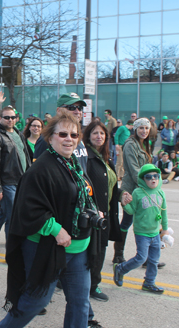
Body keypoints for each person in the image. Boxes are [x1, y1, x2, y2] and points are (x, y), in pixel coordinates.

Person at [0, 110, 103, 328]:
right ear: (50, 136)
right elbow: (28, 208)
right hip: (47, 246)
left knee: (80, 302)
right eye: (63, 134)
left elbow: (82, 194)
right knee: (36, 300)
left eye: (74, 135)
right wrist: (55, 229)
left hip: (79, 247)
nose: (69, 139)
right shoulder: (40, 168)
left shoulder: (73, 164)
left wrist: (94, 211)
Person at [83, 121, 132, 303]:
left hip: (107, 213)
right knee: (94, 251)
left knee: (100, 249)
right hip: (93, 214)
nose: (99, 137)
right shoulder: (86, 157)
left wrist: (121, 194)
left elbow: (110, 186)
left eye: (102, 134)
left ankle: (91, 283)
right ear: (88, 136)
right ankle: (91, 286)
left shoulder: (105, 158)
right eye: (95, 133)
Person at [0, 106, 31, 253]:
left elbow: (25, 156)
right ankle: (12, 252)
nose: (10, 120)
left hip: (20, 181)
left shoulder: (17, 133)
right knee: (13, 217)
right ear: (0, 118)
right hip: (7, 183)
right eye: (6, 117)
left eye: (13, 117)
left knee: (5, 212)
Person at [114, 164, 169, 294]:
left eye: (156, 176)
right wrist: (125, 204)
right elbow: (131, 210)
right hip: (142, 233)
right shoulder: (138, 193)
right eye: (148, 177)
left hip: (155, 232)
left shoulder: (160, 192)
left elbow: (164, 213)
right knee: (141, 258)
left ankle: (149, 282)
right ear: (143, 179)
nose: (153, 179)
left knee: (154, 260)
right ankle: (120, 269)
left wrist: (165, 229)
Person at [114, 118, 153, 264]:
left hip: (143, 189)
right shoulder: (130, 144)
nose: (144, 131)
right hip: (131, 190)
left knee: (144, 223)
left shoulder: (145, 144)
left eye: (146, 128)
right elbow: (134, 169)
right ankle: (118, 254)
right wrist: (149, 185)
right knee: (127, 221)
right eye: (141, 128)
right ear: (135, 129)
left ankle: (144, 257)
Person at [33, 93, 88, 171]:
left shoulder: (78, 136)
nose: (77, 111)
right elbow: (37, 171)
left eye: (80, 108)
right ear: (58, 110)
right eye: (71, 107)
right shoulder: (47, 138)